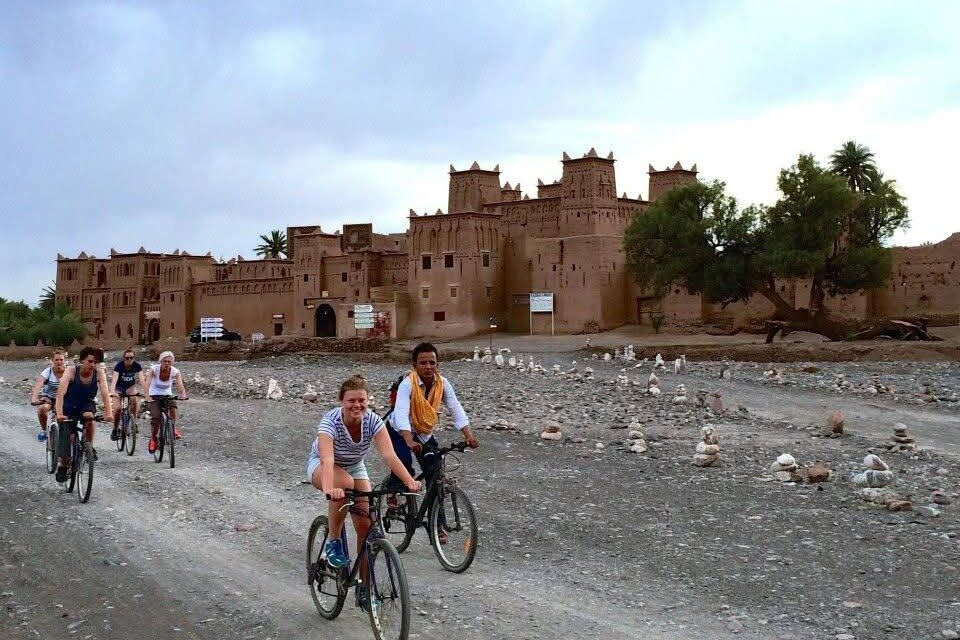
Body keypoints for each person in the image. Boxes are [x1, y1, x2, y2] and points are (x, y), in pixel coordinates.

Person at [307, 374, 420, 612]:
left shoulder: (374, 422)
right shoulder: (330, 423)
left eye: (362, 400)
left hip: (356, 466)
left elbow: (389, 456)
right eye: (351, 401)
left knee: (366, 527)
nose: (357, 405)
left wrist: (409, 481)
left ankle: (365, 591)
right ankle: (334, 541)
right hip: (322, 466)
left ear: (368, 401)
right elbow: (327, 459)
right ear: (341, 401)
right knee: (345, 485)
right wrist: (329, 487)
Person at [384, 342, 479, 513]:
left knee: (435, 473)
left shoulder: (443, 384)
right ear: (414, 365)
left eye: (432, 362)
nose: (428, 367)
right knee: (404, 460)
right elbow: (401, 413)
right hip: (399, 430)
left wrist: (468, 436)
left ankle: (437, 524)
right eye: (423, 362)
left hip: (423, 432)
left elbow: (455, 407)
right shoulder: (408, 384)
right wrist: (408, 440)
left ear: (437, 364)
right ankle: (394, 490)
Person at [54, 346, 112, 481]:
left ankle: (89, 446)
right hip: (69, 403)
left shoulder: (98, 373)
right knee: (67, 431)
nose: (93, 365)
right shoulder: (71, 371)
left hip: (86, 403)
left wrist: (109, 413)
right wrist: (59, 413)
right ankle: (63, 464)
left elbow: (104, 392)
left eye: (96, 362)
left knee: (90, 418)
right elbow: (60, 393)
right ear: (82, 360)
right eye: (90, 361)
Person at [144, 351, 188, 454]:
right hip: (154, 394)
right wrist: (147, 396)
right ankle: (153, 439)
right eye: (165, 361)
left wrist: (183, 394)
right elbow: (147, 383)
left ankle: (172, 428)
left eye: (169, 361)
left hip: (167, 394)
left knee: (173, 407)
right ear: (161, 361)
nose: (167, 363)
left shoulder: (175, 371)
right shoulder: (154, 369)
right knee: (156, 417)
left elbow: (180, 384)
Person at [29, 348, 67, 441]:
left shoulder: (69, 371)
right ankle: (44, 430)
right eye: (56, 360)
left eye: (61, 359)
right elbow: (38, 385)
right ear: (52, 361)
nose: (59, 362)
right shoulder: (48, 372)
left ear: (65, 360)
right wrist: (34, 399)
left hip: (64, 398)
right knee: (42, 409)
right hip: (49, 397)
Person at [109, 347, 145, 441]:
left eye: (131, 358)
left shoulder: (137, 366)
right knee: (117, 409)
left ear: (134, 358)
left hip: (130, 387)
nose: (129, 360)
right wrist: (112, 392)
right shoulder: (119, 366)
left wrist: (147, 391)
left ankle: (134, 422)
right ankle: (115, 429)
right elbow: (114, 380)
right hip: (119, 388)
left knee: (134, 401)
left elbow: (142, 380)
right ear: (124, 358)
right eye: (127, 358)